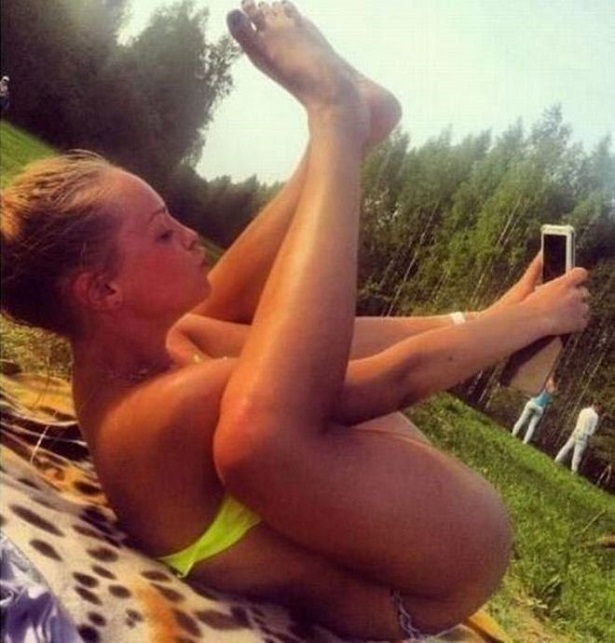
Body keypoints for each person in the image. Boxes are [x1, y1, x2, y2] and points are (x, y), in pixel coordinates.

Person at [0, 2, 591, 640]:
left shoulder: (155, 348)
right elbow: (386, 379)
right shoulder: (161, 413)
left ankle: (350, 131)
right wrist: (526, 324)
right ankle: (338, 125)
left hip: (387, 508)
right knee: (255, 431)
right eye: (163, 233)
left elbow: (327, 343)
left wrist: (483, 317)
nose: (190, 233)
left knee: (228, 337)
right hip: (423, 585)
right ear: (103, 289)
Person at [554, 403, 602, 473]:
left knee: (566, 447)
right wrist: (589, 438)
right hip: (584, 434)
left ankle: (557, 459)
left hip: (576, 431)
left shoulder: (583, 410)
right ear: (597, 406)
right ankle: (574, 470)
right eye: (599, 408)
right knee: (577, 453)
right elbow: (592, 429)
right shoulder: (595, 416)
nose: (599, 410)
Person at [511, 376, 556, 444]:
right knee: (532, 425)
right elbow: (549, 401)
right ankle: (525, 442)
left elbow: (541, 388)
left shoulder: (546, 383)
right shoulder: (553, 390)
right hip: (540, 408)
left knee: (522, 419)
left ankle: (513, 434)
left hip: (533, 403)